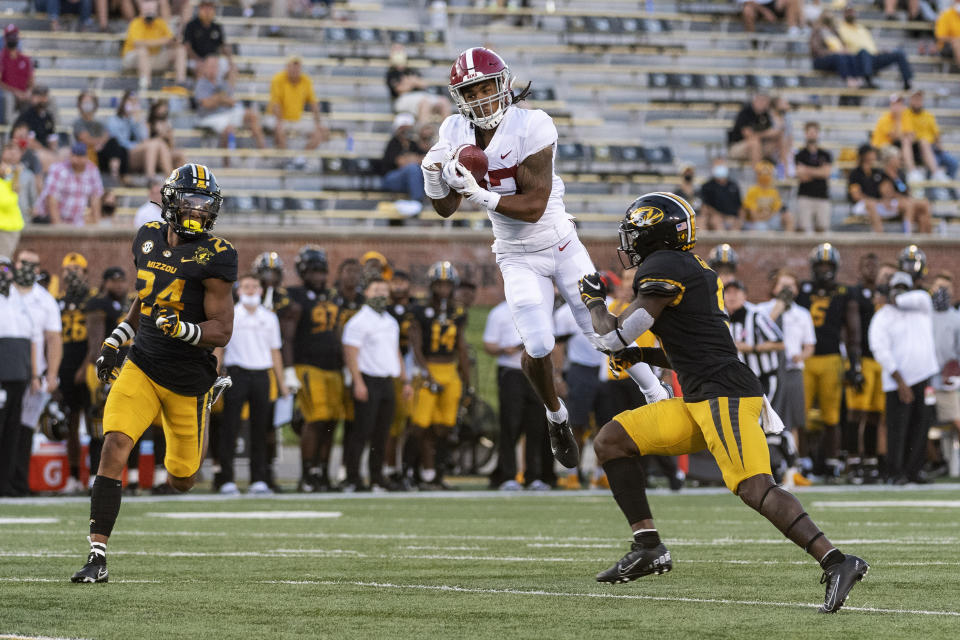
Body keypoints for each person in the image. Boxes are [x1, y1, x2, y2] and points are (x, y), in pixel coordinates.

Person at [579, 192, 867, 613]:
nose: (630, 241)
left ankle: (837, 560)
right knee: (611, 440)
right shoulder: (690, 268)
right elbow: (693, 348)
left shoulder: (664, 266)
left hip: (722, 398)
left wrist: (593, 302)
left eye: (635, 233)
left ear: (654, 234)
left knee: (754, 487)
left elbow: (613, 336)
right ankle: (648, 546)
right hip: (701, 395)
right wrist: (643, 355)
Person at [422, 47, 663, 472]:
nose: (480, 98)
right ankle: (557, 416)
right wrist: (434, 178)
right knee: (537, 344)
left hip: (560, 243)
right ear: (460, 97)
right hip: (516, 254)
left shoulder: (533, 124)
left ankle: (654, 391)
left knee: (601, 330)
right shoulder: (453, 129)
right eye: (470, 91)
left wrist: (480, 194)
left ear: (504, 85)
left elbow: (534, 205)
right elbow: (445, 209)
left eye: (485, 87)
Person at [71, 163, 237, 583]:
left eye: (205, 204)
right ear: (170, 202)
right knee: (114, 445)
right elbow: (145, 298)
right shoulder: (146, 237)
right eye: (191, 201)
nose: (198, 211)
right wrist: (118, 337)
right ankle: (97, 555)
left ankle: (207, 399)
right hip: (143, 365)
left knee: (182, 479)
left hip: (189, 380)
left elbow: (222, 330)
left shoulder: (217, 256)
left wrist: (183, 329)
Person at [795, 243, 862, 480]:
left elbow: (853, 330)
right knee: (800, 416)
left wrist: (854, 362)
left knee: (832, 416)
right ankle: (802, 461)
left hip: (832, 358)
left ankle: (832, 461)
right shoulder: (801, 289)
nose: (824, 270)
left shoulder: (845, 292)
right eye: (820, 265)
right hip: (805, 358)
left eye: (828, 265)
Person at [218, 274, 287, 495]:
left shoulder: (269, 317)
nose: (250, 290)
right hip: (236, 374)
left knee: (260, 429)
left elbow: (275, 351)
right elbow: (220, 347)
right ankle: (226, 480)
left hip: (261, 376)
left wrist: (282, 383)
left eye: (254, 286)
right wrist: (214, 372)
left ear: (260, 290)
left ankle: (258, 479)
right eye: (246, 286)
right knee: (231, 427)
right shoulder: (231, 315)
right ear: (238, 291)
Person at [341, 277, 411, 492]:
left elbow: (395, 351)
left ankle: (376, 476)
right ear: (367, 293)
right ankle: (352, 476)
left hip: (386, 380)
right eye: (376, 290)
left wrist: (404, 379)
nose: (380, 294)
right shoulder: (359, 321)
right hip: (368, 378)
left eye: (384, 290)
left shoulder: (389, 321)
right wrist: (358, 382)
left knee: (382, 432)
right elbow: (350, 352)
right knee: (362, 431)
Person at [868, 271, 938, 484]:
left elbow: (921, 297)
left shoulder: (922, 305)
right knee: (897, 429)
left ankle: (914, 470)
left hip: (924, 377)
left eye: (903, 288)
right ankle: (895, 472)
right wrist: (900, 381)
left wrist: (894, 296)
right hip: (897, 382)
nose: (899, 293)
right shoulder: (883, 316)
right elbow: (880, 349)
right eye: (895, 288)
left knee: (922, 426)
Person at [408, 262, 469, 490]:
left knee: (444, 427)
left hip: (449, 370)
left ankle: (435, 474)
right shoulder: (419, 310)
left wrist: (467, 381)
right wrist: (426, 374)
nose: (443, 289)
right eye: (439, 284)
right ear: (432, 285)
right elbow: (416, 347)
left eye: (447, 285)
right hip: (428, 368)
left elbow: (461, 347)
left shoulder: (458, 312)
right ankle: (411, 472)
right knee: (420, 425)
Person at [286, 246, 342, 492]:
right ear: (303, 272)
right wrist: (289, 370)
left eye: (321, 271)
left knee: (331, 421)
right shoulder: (294, 295)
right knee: (315, 419)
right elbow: (287, 336)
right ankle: (307, 474)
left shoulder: (331, 296)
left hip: (334, 368)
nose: (318, 276)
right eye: (313, 271)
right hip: (307, 365)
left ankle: (322, 473)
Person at [756, 270, 816, 485]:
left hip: (791, 370)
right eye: (783, 286)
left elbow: (809, 345)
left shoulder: (802, 314)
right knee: (767, 418)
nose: (787, 291)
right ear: (774, 288)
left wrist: (801, 355)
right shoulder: (762, 309)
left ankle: (793, 467)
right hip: (769, 370)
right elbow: (761, 330)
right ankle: (768, 466)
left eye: (791, 286)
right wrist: (778, 306)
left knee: (792, 420)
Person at [484, 295, 546, 490]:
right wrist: (505, 349)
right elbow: (489, 344)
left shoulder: (538, 309)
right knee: (510, 423)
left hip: (535, 370)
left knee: (536, 424)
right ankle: (508, 475)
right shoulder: (499, 312)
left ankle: (533, 475)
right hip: (511, 371)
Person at [81, 266, 129, 489]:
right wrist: (102, 373)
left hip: (131, 370)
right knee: (99, 424)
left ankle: (133, 477)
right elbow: (95, 342)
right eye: (114, 281)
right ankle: (94, 478)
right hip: (106, 369)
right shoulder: (98, 304)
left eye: (122, 281)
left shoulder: (132, 303)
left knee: (130, 425)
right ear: (106, 282)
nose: (119, 285)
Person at [56, 252, 95, 495]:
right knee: (70, 422)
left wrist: (85, 365)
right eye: (68, 269)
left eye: (77, 269)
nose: (72, 274)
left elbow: (96, 336)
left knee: (92, 421)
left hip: (87, 363)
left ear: (85, 273)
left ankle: (92, 476)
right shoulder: (57, 300)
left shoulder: (93, 298)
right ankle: (72, 476)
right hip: (65, 363)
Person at [0, 256, 39, 497]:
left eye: (6, 269)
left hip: (18, 374)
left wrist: (34, 374)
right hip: (2, 374)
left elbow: (32, 339)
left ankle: (6, 482)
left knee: (13, 430)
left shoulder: (19, 300)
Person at [844, 253, 884, 484]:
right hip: (863, 359)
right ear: (859, 269)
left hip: (881, 359)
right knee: (855, 413)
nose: (871, 269)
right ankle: (853, 462)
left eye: (874, 264)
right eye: (866, 264)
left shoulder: (883, 293)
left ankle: (870, 461)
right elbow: (851, 330)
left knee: (874, 415)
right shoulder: (855, 293)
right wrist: (854, 362)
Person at [724, 280, 784, 397]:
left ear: (744, 296)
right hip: (737, 381)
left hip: (763, 378)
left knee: (762, 414)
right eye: (728, 293)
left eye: (736, 292)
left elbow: (780, 343)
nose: (732, 297)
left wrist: (752, 348)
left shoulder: (757, 316)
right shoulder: (722, 320)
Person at [194, 56, 266, 152]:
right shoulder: (201, 84)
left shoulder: (221, 83)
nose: (213, 69)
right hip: (210, 117)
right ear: (205, 68)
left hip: (227, 113)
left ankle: (263, 151)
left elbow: (231, 102)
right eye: (211, 66)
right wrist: (221, 99)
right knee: (229, 129)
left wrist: (217, 99)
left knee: (251, 115)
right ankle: (227, 162)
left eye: (215, 66)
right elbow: (206, 104)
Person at [266, 56, 328, 159]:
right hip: (278, 117)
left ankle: (300, 159)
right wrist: (279, 122)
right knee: (278, 128)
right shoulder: (278, 79)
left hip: (296, 119)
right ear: (287, 67)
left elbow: (314, 105)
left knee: (321, 132)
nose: (295, 70)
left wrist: (318, 124)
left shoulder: (306, 80)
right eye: (292, 66)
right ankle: (284, 159)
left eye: (297, 67)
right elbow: (276, 105)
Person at [836, 5, 912, 90]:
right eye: (848, 12)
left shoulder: (861, 28)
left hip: (872, 57)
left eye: (852, 12)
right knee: (863, 51)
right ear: (844, 15)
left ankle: (907, 81)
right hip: (856, 59)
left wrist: (881, 51)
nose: (850, 14)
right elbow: (840, 46)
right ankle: (868, 81)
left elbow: (870, 45)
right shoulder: (840, 28)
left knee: (899, 53)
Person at [121, 0, 186, 92]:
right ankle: (145, 85)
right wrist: (163, 41)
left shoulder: (160, 22)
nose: (149, 13)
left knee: (180, 50)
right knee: (143, 51)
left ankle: (181, 83)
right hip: (132, 59)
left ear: (156, 11)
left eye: (151, 10)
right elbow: (138, 43)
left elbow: (171, 40)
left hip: (152, 59)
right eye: (147, 10)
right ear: (141, 11)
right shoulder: (135, 23)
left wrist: (176, 40)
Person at [107, 91, 173, 179]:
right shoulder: (114, 120)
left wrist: (137, 122)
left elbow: (144, 138)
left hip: (139, 152)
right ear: (123, 102)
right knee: (154, 144)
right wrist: (137, 145)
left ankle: (175, 180)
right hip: (125, 154)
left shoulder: (136, 120)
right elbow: (117, 142)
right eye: (130, 101)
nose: (133, 105)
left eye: (135, 102)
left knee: (161, 144)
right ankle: (151, 177)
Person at [36, 143, 104, 226]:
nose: (75, 160)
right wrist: (57, 225)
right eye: (73, 155)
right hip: (48, 219)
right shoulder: (58, 169)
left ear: (86, 157)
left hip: (76, 221)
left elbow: (96, 197)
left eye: (79, 156)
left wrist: (97, 223)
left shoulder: (92, 170)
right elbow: (51, 198)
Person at [930, 273, 960, 449]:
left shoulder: (956, 317)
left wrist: (955, 373)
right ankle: (932, 461)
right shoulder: (924, 314)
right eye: (939, 287)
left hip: (947, 380)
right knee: (922, 422)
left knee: (955, 418)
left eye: (946, 288)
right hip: (925, 379)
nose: (942, 292)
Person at [385, 44, 450, 122]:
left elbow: (423, 84)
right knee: (424, 102)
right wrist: (413, 82)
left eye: (400, 51)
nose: (398, 53)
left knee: (444, 101)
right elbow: (400, 90)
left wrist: (408, 82)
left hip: (420, 96)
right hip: (401, 100)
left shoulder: (411, 70)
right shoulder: (391, 73)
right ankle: (423, 131)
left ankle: (447, 130)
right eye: (396, 51)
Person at [877, 145, 933, 234]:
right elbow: (887, 194)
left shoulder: (900, 174)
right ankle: (907, 234)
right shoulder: (883, 175)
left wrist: (907, 196)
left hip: (904, 200)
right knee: (909, 204)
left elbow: (905, 190)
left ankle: (926, 239)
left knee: (923, 212)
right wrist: (903, 197)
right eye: (898, 158)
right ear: (890, 160)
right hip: (891, 203)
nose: (900, 161)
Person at [381, 112, 426, 219]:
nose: (406, 131)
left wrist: (412, 159)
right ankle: (417, 202)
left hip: (407, 181)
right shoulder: (393, 143)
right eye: (403, 128)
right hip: (391, 179)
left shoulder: (414, 144)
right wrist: (415, 159)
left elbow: (426, 159)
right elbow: (400, 162)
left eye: (409, 128)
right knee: (413, 168)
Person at [904, 89, 955, 181]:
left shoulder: (928, 115)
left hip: (932, 147)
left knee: (954, 163)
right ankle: (935, 173)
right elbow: (910, 134)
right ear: (911, 100)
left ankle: (949, 188)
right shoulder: (906, 114)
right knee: (925, 145)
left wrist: (940, 148)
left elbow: (936, 134)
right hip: (919, 148)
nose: (917, 102)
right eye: (915, 99)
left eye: (919, 99)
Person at [794, 121, 834, 233]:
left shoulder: (825, 154)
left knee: (823, 228)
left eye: (814, 132)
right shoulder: (800, 155)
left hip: (822, 196)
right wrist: (818, 172)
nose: (812, 134)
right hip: (805, 196)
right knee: (805, 229)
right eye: (809, 132)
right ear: (805, 134)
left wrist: (807, 170)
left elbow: (826, 173)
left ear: (818, 133)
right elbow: (801, 176)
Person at [870, 95, 921, 180]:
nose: (898, 107)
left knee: (906, 146)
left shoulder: (905, 117)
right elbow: (896, 137)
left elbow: (912, 135)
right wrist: (898, 119)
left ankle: (911, 173)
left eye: (899, 104)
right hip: (881, 147)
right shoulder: (885, 118)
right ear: (891, 106)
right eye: (895, 104)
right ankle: (908, 173)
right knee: (896, 154)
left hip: (894, 146)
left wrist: (906, 136)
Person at [726, 93, 782, 169]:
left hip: (759, 147)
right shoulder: (745, 112)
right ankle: (758, 174)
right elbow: (748, 135)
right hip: (737, 147)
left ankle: (783, 172)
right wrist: (766, 134)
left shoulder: (765, 114)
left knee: (779, 140)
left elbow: (776, 132)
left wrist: (773, 114)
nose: (763, 104)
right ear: (755, 101)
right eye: (761, 101)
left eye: (765, 102)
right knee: (754, 142)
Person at [809, 13, 864, 88]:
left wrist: (845, 50)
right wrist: (833, 52)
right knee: (838, 57)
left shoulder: (834, 32)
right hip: (821, 60)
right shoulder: (817, 31)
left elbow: (842, 44)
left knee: (850, 56)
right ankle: (849, 80)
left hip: (835, 57)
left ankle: (857, 78)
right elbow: (817, 50)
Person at [741, 161, 794, 231]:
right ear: (757, 175)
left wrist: (768, 215)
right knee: (761, 227)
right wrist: (766, 215)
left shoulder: (773, 191)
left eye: (768, 173)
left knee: (788, 217)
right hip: (756, 222)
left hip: (770, 218)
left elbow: (776, 210)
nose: (765, 176)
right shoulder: (752, 191)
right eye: (762, 174)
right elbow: (754, 216)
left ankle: (788, 241)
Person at [183, 0, 233, 73]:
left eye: (210, 7)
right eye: (205, 7)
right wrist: (197, 59)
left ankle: (229, 85)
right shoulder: (191, 25)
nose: (207, 10)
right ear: (200, 8)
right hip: (195, 59)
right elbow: (187, 46)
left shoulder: (216, 26)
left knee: (231, 67)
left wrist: (230, 60)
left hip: (213, 59)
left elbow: (222, 45)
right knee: (202, 67)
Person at [847, 144, 886, 231]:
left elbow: (884, 189)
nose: (874, 155)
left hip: (877, 203)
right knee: (871, 204)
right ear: (864, 155)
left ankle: (907, 235)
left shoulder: (877, 172)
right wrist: (871, 200)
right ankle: (880, 235)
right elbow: (856, 195)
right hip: (860, 205)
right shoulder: (855, 173)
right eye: (871, 153)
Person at [0, 25, 34, 122]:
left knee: (41, 97)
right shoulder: (1, 57)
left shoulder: (25, 59)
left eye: (14, 36)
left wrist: (29, 92)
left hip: (23, 94)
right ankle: (9, 129)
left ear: (18, 38)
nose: (12, 39)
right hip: (8, 93)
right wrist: (16, 92)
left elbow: (31, 80)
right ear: (5, 39)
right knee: (8, 98)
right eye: (10, 36)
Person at [699, 158, 743, 231]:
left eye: (721, 165)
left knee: (736, 226)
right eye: (718, 166)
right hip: (716, 218)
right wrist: (723, 217)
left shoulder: (733, 185)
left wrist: (740, 220)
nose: (720, 168)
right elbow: (705, 207)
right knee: (716, 221)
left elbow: (740, 207)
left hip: (733, 218)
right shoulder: (707, 186)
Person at [0, 146, 25, 258]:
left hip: (11, 228)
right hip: (3, 229)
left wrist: (16, 174)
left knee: (6, 263)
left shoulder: (6, 181)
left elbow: (16, 190)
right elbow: (6, 202)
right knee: (3, 262)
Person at [935, 2, 960, 69]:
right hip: (946, 46)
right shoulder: (946, 15)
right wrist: (954, 39)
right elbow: (940, 36)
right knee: (957, 43)